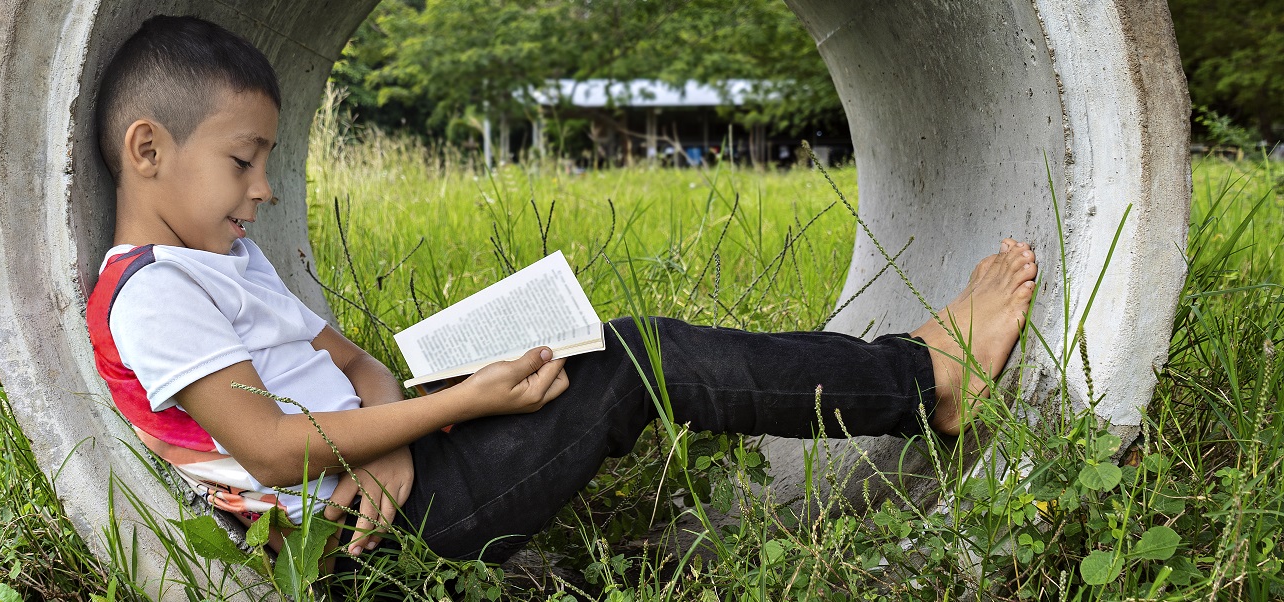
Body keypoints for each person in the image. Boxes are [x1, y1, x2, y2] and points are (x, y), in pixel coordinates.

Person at [86, 15, 1038, 571]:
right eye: (244, 161)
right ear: (148, 148)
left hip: (399, 471)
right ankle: (925, 384)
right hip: (370, 546)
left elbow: (352, 362)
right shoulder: (151, 295)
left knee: (596, 348)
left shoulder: (221, 256)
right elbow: (268, 448)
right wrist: (459, 407)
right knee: (639, 359)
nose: (265, 187)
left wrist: (406, 432)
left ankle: (910, 375)